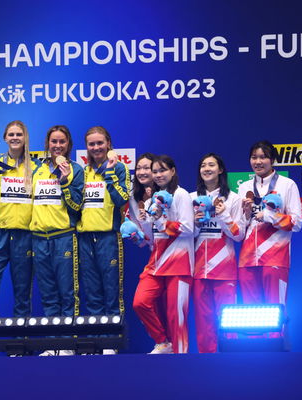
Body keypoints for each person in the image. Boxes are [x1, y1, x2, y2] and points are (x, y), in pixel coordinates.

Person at [0, 120, 40, 357]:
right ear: (4, 137)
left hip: (24, 234)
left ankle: (19, 345)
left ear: (25, 138)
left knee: (22, 292)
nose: (15, 138)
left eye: (19, 134)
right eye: (11, 134)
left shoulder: (36, 167)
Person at [30, 125, 84, 356]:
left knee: (67, 293)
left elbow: (77, 206)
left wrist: (64, 182)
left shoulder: (76, 169)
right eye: (54, 142)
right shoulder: (36, 170)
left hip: (63, 237)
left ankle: (68, 344)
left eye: (62, 142)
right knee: (48, 294)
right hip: (39, 238)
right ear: (47, 144)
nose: (58, 146)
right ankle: (53, 343)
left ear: (69, 145)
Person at [133, 155, 194, 354]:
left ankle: (181, 359)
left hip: (179, 262)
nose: (158, 175)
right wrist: (142, 224)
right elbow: (152, 237)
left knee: (177, 316)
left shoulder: (181, 194)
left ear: (173, 171)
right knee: (140, 302)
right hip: (157, 262)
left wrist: (160, 222)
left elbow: (188, 228)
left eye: (163, 170)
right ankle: (163, 342)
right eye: (155, 171)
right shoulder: (152, 200)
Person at [77, 126, 129, 355]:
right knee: (92, 293)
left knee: (111, 293)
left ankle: (112, 342)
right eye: (91, 144)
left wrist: (109, 173)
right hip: (85, 238)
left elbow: (121, 199)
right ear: (86, 147)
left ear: (108, 143)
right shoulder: (82, 171)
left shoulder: (119, 168)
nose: (96, 147)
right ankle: (97, 342)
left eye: (100, 143)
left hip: (109, 236)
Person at [191, 153, 244, 353]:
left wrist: (223, 214)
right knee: (203, 320)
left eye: (211, 165)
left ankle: (230, 359)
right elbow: (188, 234)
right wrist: (196, 223)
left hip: (225, 268)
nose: (206, 168)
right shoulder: (191, 198)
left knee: (227, 319)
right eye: (203, 165)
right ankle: (206, 363)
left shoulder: (233, 199)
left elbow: (239, 235)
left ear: (220, 169)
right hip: (199, 269)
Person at [238, 140, 302, 305]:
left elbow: (296, 223)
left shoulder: (287, 185)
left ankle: (278, 333)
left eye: (263, 157)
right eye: (254, 157)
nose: (258, 162)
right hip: (247, 259)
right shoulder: (244, 187)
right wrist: (245, 214)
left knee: (276, 311)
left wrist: (270, 216)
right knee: (250, 314)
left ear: (272, 160)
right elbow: (241, 226)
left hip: (276, 257)